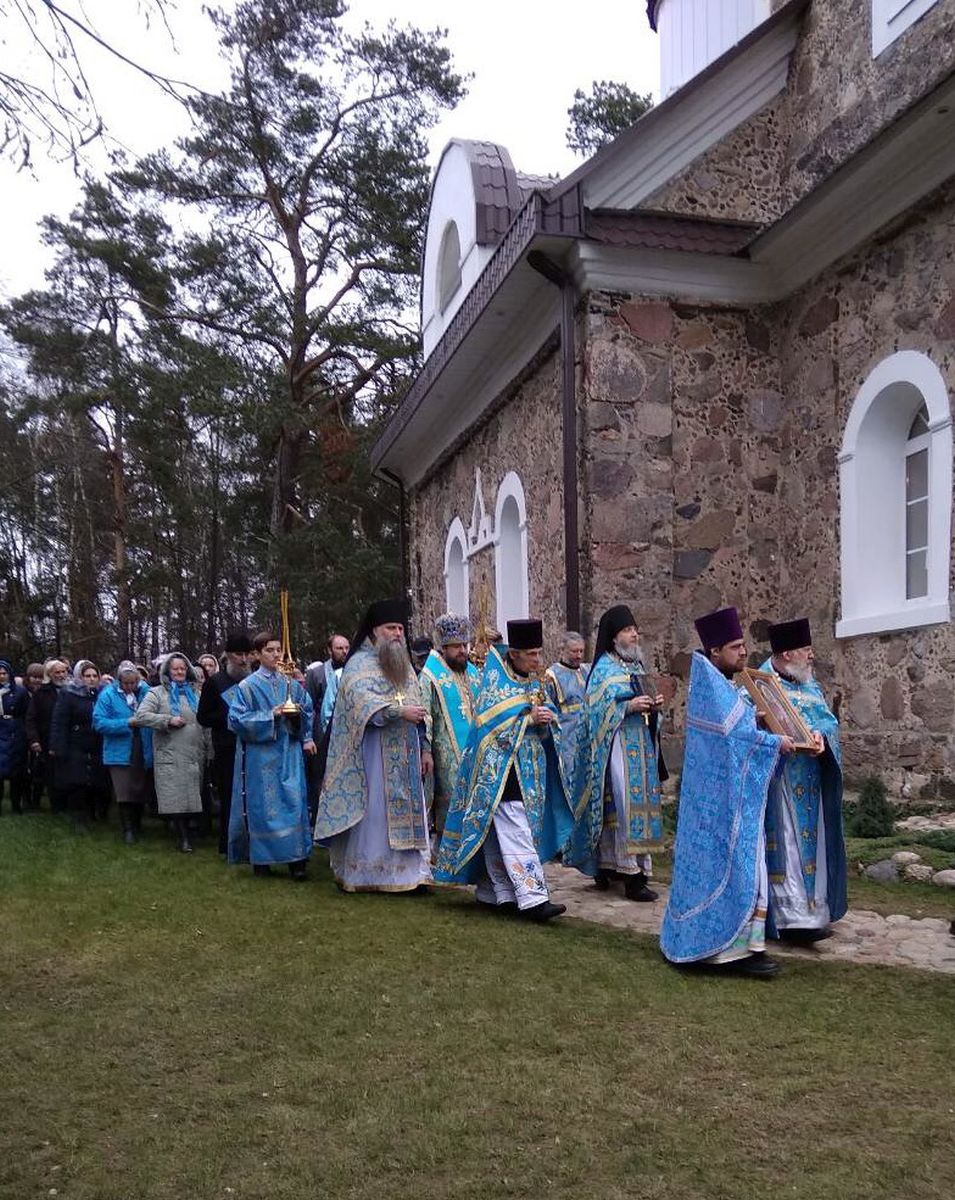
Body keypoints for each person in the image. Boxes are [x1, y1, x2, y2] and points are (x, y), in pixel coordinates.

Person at [660, 607, 794, 979]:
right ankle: (729, 952)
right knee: (738, 872)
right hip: (719, 807)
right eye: (735, 647)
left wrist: (763, 723)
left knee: (748, 871)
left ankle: (748, 948)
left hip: (724, 801)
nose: (743, 651)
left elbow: (736, 730)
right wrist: (776, 742)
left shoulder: (719, 684)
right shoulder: (710, 686)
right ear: (715, 651)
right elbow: (737, 739)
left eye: (743, 644)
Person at [434, 618, 574, 922]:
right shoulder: (496, 682)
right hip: (501, 771)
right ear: (514, 654)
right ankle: (534, 898)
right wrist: (527, 719)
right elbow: (490, 725)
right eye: (531, 654)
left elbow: (549, 717)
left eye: (539, 653)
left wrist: (547, 720)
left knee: (499, 836)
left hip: (530, 769)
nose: (537, 659)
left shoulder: (536, 683)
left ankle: (497, 892)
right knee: (516, 830)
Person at [315, 598, 433, 894]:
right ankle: (368, 874)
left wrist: (424, 745)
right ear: (374, 630)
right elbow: (359, 703)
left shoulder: (403, 664)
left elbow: (418, 702)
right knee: (376, 814)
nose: (397, 634)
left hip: (406, 752)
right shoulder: (358, 664)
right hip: (373, 754)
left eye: (401, 628)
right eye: (391, 628)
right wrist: (396, 712)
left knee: (408, 810)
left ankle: (409, 876)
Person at [565, 605, 666, 901]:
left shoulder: (636, 667)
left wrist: (655, 707)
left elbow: (645, 703)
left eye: (635, 630)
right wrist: (627, 707)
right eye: (627, 630)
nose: (634, 635)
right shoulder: (603, 670)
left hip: (641, 745)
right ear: (613, 637)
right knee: (622, 806)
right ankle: (628, 874)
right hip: (616, 747)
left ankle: (634, 869)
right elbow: (594, 712)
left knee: (641, 805)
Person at [760, 618, 847, 944]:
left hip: (810, 779)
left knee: (813, 844)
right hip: (779, 782)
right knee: (788, 844)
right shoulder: (759, 686)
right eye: (805, 649)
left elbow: (828, 722)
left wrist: (822, 737)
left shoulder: (810, 685)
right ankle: (789, 918)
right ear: (786, 654)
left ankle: (813, 914)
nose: (811, 655)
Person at [227, 631, 315, 881]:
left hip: (289, 752)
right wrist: (271, 715)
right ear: (257, 654)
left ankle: (297, 860)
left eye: (278, 650)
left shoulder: (291, 683)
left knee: (294, 801)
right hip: (261, 757)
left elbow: (308, 709)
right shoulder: (248, 686)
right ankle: (263, 860)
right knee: (264, 807)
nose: (276, 655)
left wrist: (301, 725)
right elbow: (236, 720)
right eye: (269, 650)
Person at [419, 613, 481, 850]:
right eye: (456, 647)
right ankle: (447, 853)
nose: (462, 651)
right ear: (443, 648)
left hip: (476, 751)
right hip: (446, 757)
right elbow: (424, 716)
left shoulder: (472, 672)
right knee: (452, 802)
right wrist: (426, 750)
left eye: (464, 645)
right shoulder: (430, 676)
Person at [132, 652, 205, 852]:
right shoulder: (157, 693)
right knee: (176, 795)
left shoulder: (196, 694)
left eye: (183, 668)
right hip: (171, 751)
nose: (179, 672)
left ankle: (190, 832)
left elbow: (204, 722)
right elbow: (141, 716)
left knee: (192, 794)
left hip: (194, 752)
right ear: (167, 671)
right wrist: (167, 720)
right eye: (175, 669)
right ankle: (183, 837)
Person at [197, 631, 252, 854]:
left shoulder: (253, 680)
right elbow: (203, 717)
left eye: (247, 654)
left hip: (252, 744)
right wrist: (228, 716)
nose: (244, 659)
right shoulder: (215, 683)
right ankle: (227, 842)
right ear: (228, 656)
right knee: (229, 793)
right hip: (227, 747)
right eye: (239, 654)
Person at [93, 662, 153, 844]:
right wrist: (126, 723)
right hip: (119, 748)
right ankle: (128, 829)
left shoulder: (146, 693)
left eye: (133, 683)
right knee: (123, 789)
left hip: (141, 746)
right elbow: (99, 723)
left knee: (139, 788)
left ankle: (137, 824)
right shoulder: (108, 695)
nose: (129, 687)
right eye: (125, 683)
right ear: (118, 681)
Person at [50, 660, 110, 831]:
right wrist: (57, 745)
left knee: (96, 780)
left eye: (94, 676)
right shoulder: (69, 694)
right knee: (77, 781)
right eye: (87, 676)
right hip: (76, 742)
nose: (91, 679)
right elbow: (60, 721)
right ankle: (78, 816)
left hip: (98, 741)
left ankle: (94, 813)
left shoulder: (103, 694)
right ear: (80, 677)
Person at [545, 631, 590, 789]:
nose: (579, 656)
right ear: (563, 650)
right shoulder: (552, 675)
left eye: (581, 651)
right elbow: (548, 707)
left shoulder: (587, 670)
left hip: (587, 732)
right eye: (574, 651)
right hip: (566, 736)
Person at [26, 659, 70, 812]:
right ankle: (55, 805)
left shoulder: (73, 691)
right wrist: (34, 740)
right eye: (57, 672)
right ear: (50, 674)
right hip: (47, 739)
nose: (61, 675)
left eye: (63, 672)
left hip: (69, 738)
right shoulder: (41, 694)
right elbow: (31, 718)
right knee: (51, 774)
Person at [0, 657, 29, 815]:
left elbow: (26, 713)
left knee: (16, 772)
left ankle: (16, 804)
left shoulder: (20, 691)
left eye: (4, 673)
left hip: (15, 732)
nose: (1, 676)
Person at [305, 633, 350, 735]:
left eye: (347, 648)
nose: (344, 652)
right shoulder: (316, 673)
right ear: (330, 650)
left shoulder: (354, 671)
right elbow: (308, 707)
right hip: (322, 731)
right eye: (339, 648)